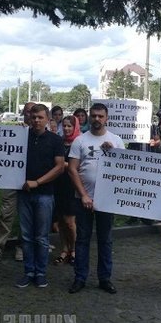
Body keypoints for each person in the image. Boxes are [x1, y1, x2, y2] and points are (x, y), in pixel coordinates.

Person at [67, 103, 124, 294]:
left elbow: (125, 170)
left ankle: (104, 278)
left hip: (106, 200)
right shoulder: (80, 141)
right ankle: (80, 277)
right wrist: (83, 195)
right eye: (94, 116)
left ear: (107, 118)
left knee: (105, 239)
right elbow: (72, 169)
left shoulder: (115, 140)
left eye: (101, 116)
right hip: (83, 198)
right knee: (82, 239)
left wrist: (113, 153)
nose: (97, 119)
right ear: (89, 117)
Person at [15, 104, 65, 288]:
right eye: (33, 117)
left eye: (40, 117)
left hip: (44, 194)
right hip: (24, 193)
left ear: (47, 119)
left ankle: (41, 272)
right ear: (29, 117)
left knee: (42, 237)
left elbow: (59, 167)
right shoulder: (20, 137)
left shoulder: (55, 140)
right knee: (27, 236)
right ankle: (28, 271)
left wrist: (38, 182)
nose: (36, 120)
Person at [0, 102, 35, 265]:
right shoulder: (15, 131)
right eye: (27, 112)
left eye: (33, 113)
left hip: (31, 181)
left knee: (28, 217)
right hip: (11, 179)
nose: (30, 116)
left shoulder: (41, 133)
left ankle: (22, 246)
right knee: (6, 214)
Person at [53, 115, 81, 265]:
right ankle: (64, 249)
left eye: (70, 126)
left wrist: (60, 164)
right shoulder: (59, 141)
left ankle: (74, 249)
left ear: (75, 126)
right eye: (64, 126)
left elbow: (78, 166)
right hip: (58, 184)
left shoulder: (80, 142)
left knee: (70, 222)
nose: (67, 129)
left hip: (72, 186)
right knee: (61, 222)